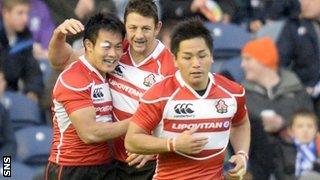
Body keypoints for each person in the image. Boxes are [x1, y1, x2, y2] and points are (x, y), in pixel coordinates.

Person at [47, 0, 177, 179]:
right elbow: (61, 60)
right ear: (125, 26)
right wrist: (58, 35)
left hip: (147, 162)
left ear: (157, 28)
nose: (138, 35)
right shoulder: (116, 51)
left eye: (146, 29)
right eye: (133, 28)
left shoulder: (171, 68)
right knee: (6, 166)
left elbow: (185, 118)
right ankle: (5, 169)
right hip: (107, 163)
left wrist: (157, 146)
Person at [125, 18, 250, 180]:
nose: (196, 63)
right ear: (175, 60)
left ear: (211, 56)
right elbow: (132, 140)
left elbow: (240, 123)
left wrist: (242, 154)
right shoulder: (159, 95)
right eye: (187, 57)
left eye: (202, 55)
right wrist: (173, 144)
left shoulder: (233, 92)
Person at [46, 13, 129, 179]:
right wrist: (141, 121)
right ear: (89, 46)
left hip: (106, 165)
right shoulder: (74, 78)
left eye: (118, 47)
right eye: (106, 47)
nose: (113, 54)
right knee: (7, 166)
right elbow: (90, 133)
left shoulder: (105, 69)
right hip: (73, 169)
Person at [241, 37, 314, 180]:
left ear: (263, 61)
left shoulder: (296, 90)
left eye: (248, 59)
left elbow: (312, 127)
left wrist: (284, 125)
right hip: (257, 168)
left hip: (296, 166)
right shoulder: (241, 94)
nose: (242, 65)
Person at [0, 0, 44, 102]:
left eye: (27, 13)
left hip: (13, 96)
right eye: (20, 13)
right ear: (6, 13)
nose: (25, 19)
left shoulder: (25, 38)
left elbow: (33, 70)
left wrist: (33, 91)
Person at [274, 109, 320, 180]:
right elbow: (279, 173)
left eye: (310, 126)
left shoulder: (318, 147)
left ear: (316, 130)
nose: (305, 130)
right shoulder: (283, 148)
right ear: (290, 131)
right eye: (300, 126)